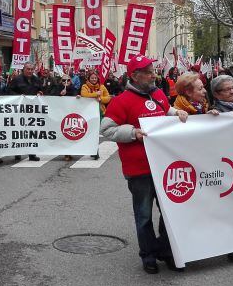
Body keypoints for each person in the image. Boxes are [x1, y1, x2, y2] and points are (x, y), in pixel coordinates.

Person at [101, 55, 189, 274]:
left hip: (164, 166)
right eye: (148, 72)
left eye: (152, 70)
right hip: (139, 170)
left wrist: (177, 113)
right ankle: (148, 255)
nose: (153, 74)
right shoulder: (121, 101)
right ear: (135, 76)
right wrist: (132, 132)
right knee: (144, 216)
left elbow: (166, 111)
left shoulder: (158, 94)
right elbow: (106, 130)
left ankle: (167, 252)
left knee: (169, 212)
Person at [8, 63, 43, 162]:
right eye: (28, 69)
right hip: (19, 111)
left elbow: (42, 90)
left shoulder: (37, 80)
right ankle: (17, 153)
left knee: (31, 132)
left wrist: (40, 92)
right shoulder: (17, 80)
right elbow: (9, 91)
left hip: (32, 111)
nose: (30, 71)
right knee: (19, 132)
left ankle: (32, 154)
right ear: (24, 69)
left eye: (32, 69)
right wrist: (19, 96)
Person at [81, 71, 111, 160]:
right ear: (89, 78)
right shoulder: (85, 86)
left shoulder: (102, 87)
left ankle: (95, 150)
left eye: (95, 78)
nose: (94, 79)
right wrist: (95, 94)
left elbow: (108, 98)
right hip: (88, 112)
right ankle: (92, 149)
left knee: (95, 132)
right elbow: (84, 94)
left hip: (100, 112)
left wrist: (100, 99)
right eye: (92, 78)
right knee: (89, 131)